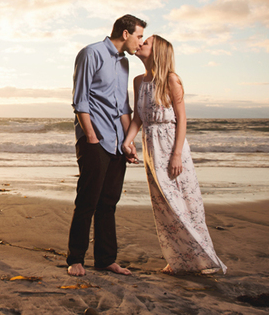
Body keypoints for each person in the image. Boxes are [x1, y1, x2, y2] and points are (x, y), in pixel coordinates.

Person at [123, 35, 226, 275]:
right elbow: (138, 118)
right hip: (151, 147)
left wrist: (177, 155)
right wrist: (128, 142)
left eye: (145, 43)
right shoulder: (139, 81)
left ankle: (203, 258)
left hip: (170, 145)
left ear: (157, 52)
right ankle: (178, 259)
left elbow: (182, 119)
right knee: (163, 205)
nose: (140, 44)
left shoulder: (171, 80)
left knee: (183, 202)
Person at [67, 14, 146, 277]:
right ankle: (75, 259)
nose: (140, 42)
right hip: (94, 139)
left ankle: (105, 260)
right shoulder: (91, 53)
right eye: (139, 36)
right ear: (125, 33)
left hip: (115, 143)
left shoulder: (124, 64)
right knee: (88, 199)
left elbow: (123, 107)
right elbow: (80, 100)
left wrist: (128, 141)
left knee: (109, 201)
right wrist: (90, 136)